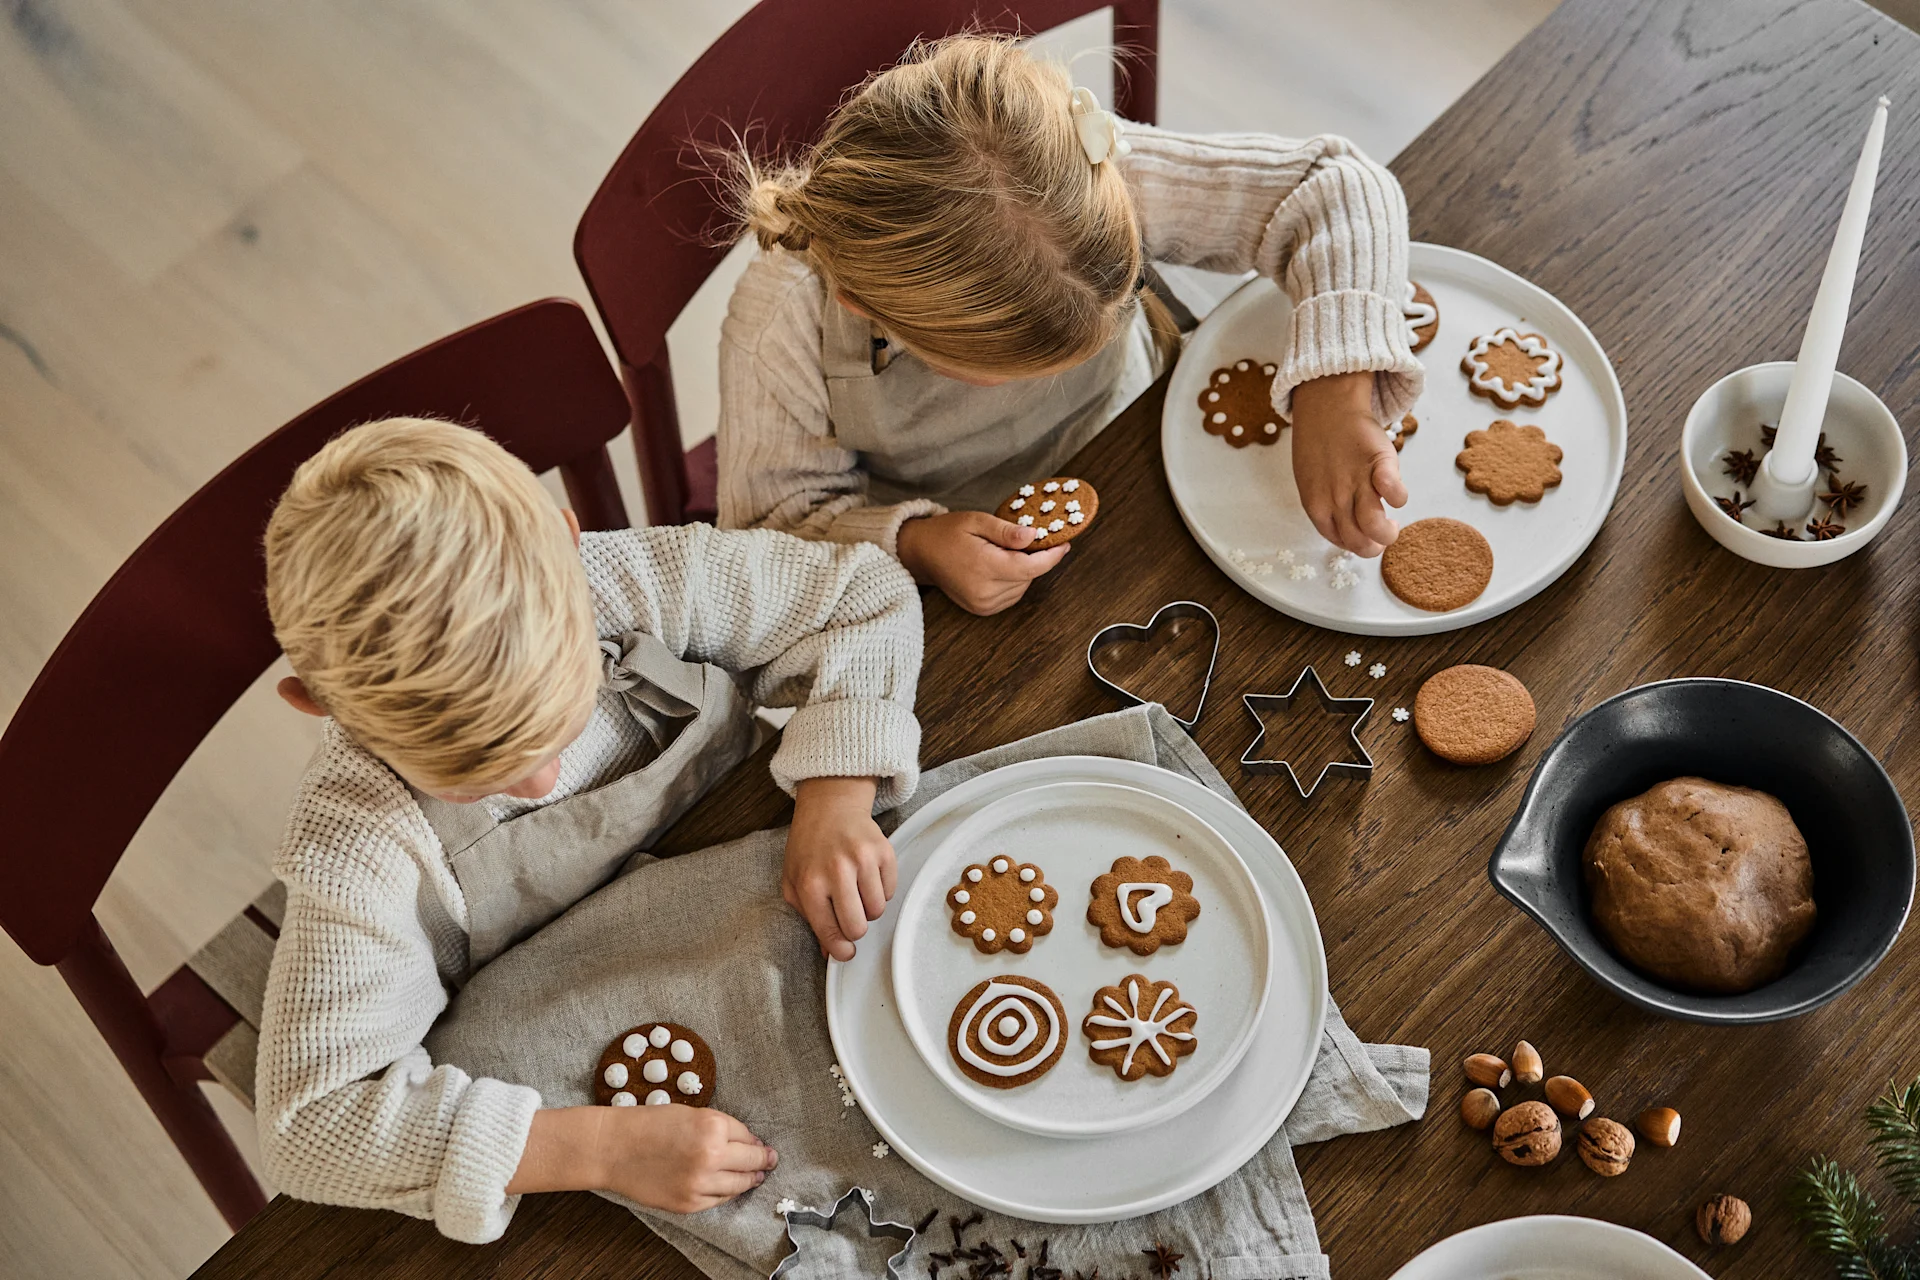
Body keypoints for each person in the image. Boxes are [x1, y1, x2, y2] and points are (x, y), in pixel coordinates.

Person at [254, 418, 922, 1241]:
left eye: (562, 725)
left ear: (571, 546)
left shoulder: (628, 578)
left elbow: (862, 596)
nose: (539, 782)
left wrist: (837, 790)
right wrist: (589, 1150)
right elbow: (309, 1125)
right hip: (577, 1040)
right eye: (482, 776)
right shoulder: (356, 848)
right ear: (319, 708)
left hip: (778, 884)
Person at [716, 34, 1424, 616]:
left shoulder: (1076, 174)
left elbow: (1337, 186)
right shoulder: (781, 325)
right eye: (1004, 372)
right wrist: (917, 546)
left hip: (1148, 435)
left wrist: (1337, 385)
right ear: (867, 310)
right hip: (978, 567)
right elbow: (769, 529)